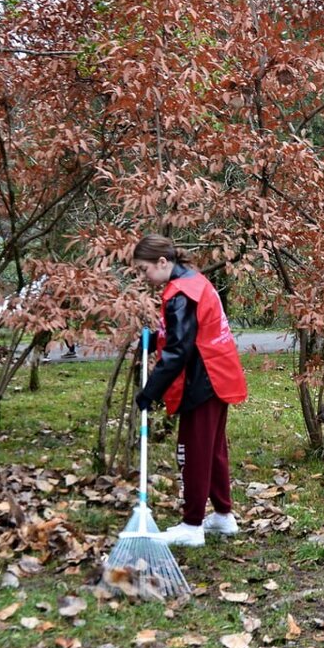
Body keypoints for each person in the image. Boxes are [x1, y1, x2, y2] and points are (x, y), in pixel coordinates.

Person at [132, 234, 248, 547]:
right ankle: (223, 516)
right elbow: (186, 331)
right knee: (212, 450)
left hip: (203, 378)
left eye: (144, 270)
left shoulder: (181, 293)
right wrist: (158, 333)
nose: (144, 278)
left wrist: (149, 393)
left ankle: (192, 524)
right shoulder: (194, 282)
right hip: (217, 374)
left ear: (162, 262)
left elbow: (178, 351)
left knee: (193, 452)